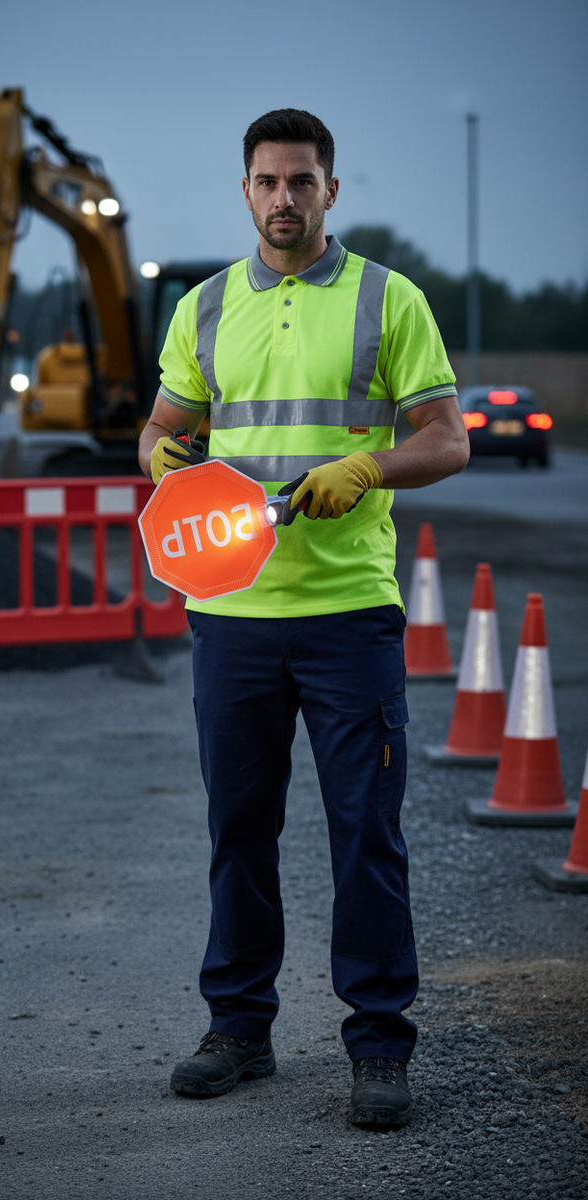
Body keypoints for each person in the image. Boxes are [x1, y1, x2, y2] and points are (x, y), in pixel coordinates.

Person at [138, 108, 469, 1126]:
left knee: (362, 830)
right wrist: (163, 467)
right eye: (266, 181)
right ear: (244, 190)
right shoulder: (200, 309)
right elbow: (161, 431)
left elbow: (447, 439)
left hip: (347, 615)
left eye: (301, 181)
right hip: (229, 613)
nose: (283, 197)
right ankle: (237, 1030)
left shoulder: (387, 299)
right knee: (238, 828)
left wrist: (368, 464)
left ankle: (377, 1047)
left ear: (330, 190)